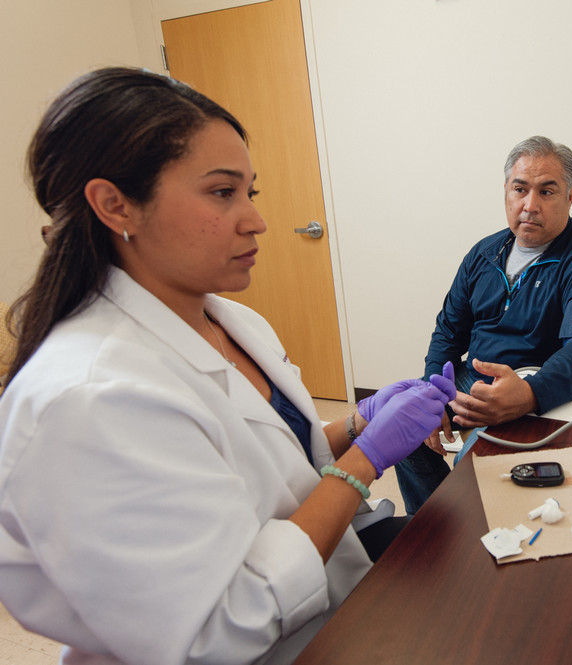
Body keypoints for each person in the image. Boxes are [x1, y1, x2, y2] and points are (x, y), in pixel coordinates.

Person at [0, 67, 455, 665]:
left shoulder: (232, 321)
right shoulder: (90, 399)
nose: (255, 219)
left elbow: (254, 464)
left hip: (332, 607)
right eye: (222, 192)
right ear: (116, 206)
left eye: (251, 192)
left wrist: (359, 423)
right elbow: (217, 630)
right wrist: (364, 463)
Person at [395, 135, 572, 514]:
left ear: (570, 196)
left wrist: (528, 394)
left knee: (475, 466)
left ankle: (471, 534)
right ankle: (432, 527)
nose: (529, 205)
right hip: (471, 382)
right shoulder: (484, 254)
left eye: (547, 192)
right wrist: (432, 389)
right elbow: (448, 332)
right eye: (520, 189)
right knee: (399, 427)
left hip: (537, 392)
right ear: (506, 190)